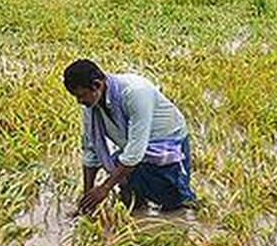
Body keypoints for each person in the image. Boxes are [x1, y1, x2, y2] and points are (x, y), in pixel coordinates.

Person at [63, 59, 197, 215]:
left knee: (174, 202)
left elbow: (134, 153)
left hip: (166, 144)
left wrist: (105, 188)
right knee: (131, 198)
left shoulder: (135, 92)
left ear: (97, 85)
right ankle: (140, 210)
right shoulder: (90, 105)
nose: (80, 101)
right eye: (76, 97)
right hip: (134, 148)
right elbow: (90, 151)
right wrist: (88, 199)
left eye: (81, 95)